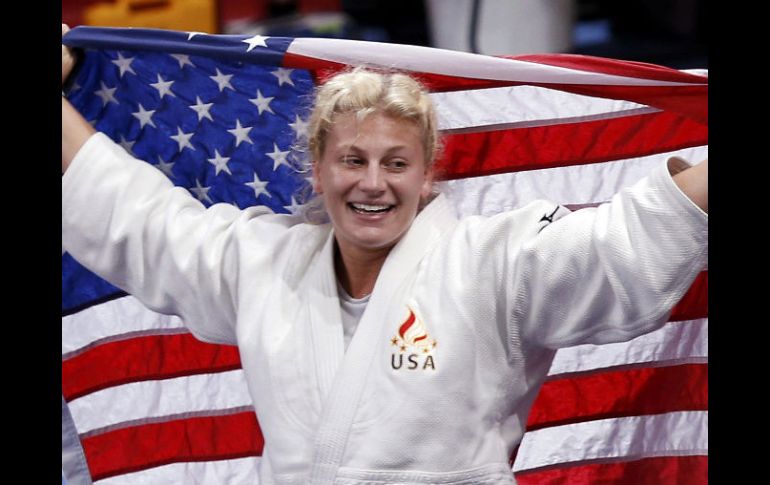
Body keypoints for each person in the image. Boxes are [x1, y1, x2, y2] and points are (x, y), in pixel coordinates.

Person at [61, 24, 707, 485]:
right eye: (352, 160)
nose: (373, 183)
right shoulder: (261, 264)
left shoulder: (492, 263)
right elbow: (136, 219)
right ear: (316, 171)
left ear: (428, 175)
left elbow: (622, 242)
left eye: (396, 163)